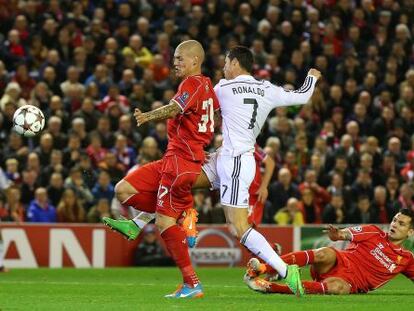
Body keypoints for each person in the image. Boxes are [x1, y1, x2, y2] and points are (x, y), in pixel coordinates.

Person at [103, 40, 219, 298]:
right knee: (123, 190)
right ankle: (150, 220)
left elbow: (176, 108)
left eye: (180, 58)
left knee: (165, 223)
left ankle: (192, 283)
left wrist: (147, 116)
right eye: (175, 58)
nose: (175, 62)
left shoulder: (193, 83)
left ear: (195, 61)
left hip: (180, 163)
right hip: (173, 160)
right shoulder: (208, 86)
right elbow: (207, 117)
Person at [213, 46, 321, 296]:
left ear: (236, 63)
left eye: (226, 62)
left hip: (236, 160)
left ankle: (284, 270)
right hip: (242, 160)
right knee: (233, 224)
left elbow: (199, 102)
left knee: (239, 226)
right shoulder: (267, 89)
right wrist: (312, 76)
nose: (223, 67)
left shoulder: (223, 88)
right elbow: (303, 96)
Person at [244, 208, 414, 295]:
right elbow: (344, 234)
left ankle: (268, 287)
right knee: (325, 252)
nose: (394, 225)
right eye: (394, 220)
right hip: (338, 262)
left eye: (401, 224)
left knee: (336, 287)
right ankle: (262, 268)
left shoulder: (406, 259)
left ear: (410, 232)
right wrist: (338, 235)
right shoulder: (373, 231)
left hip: (352, 283)